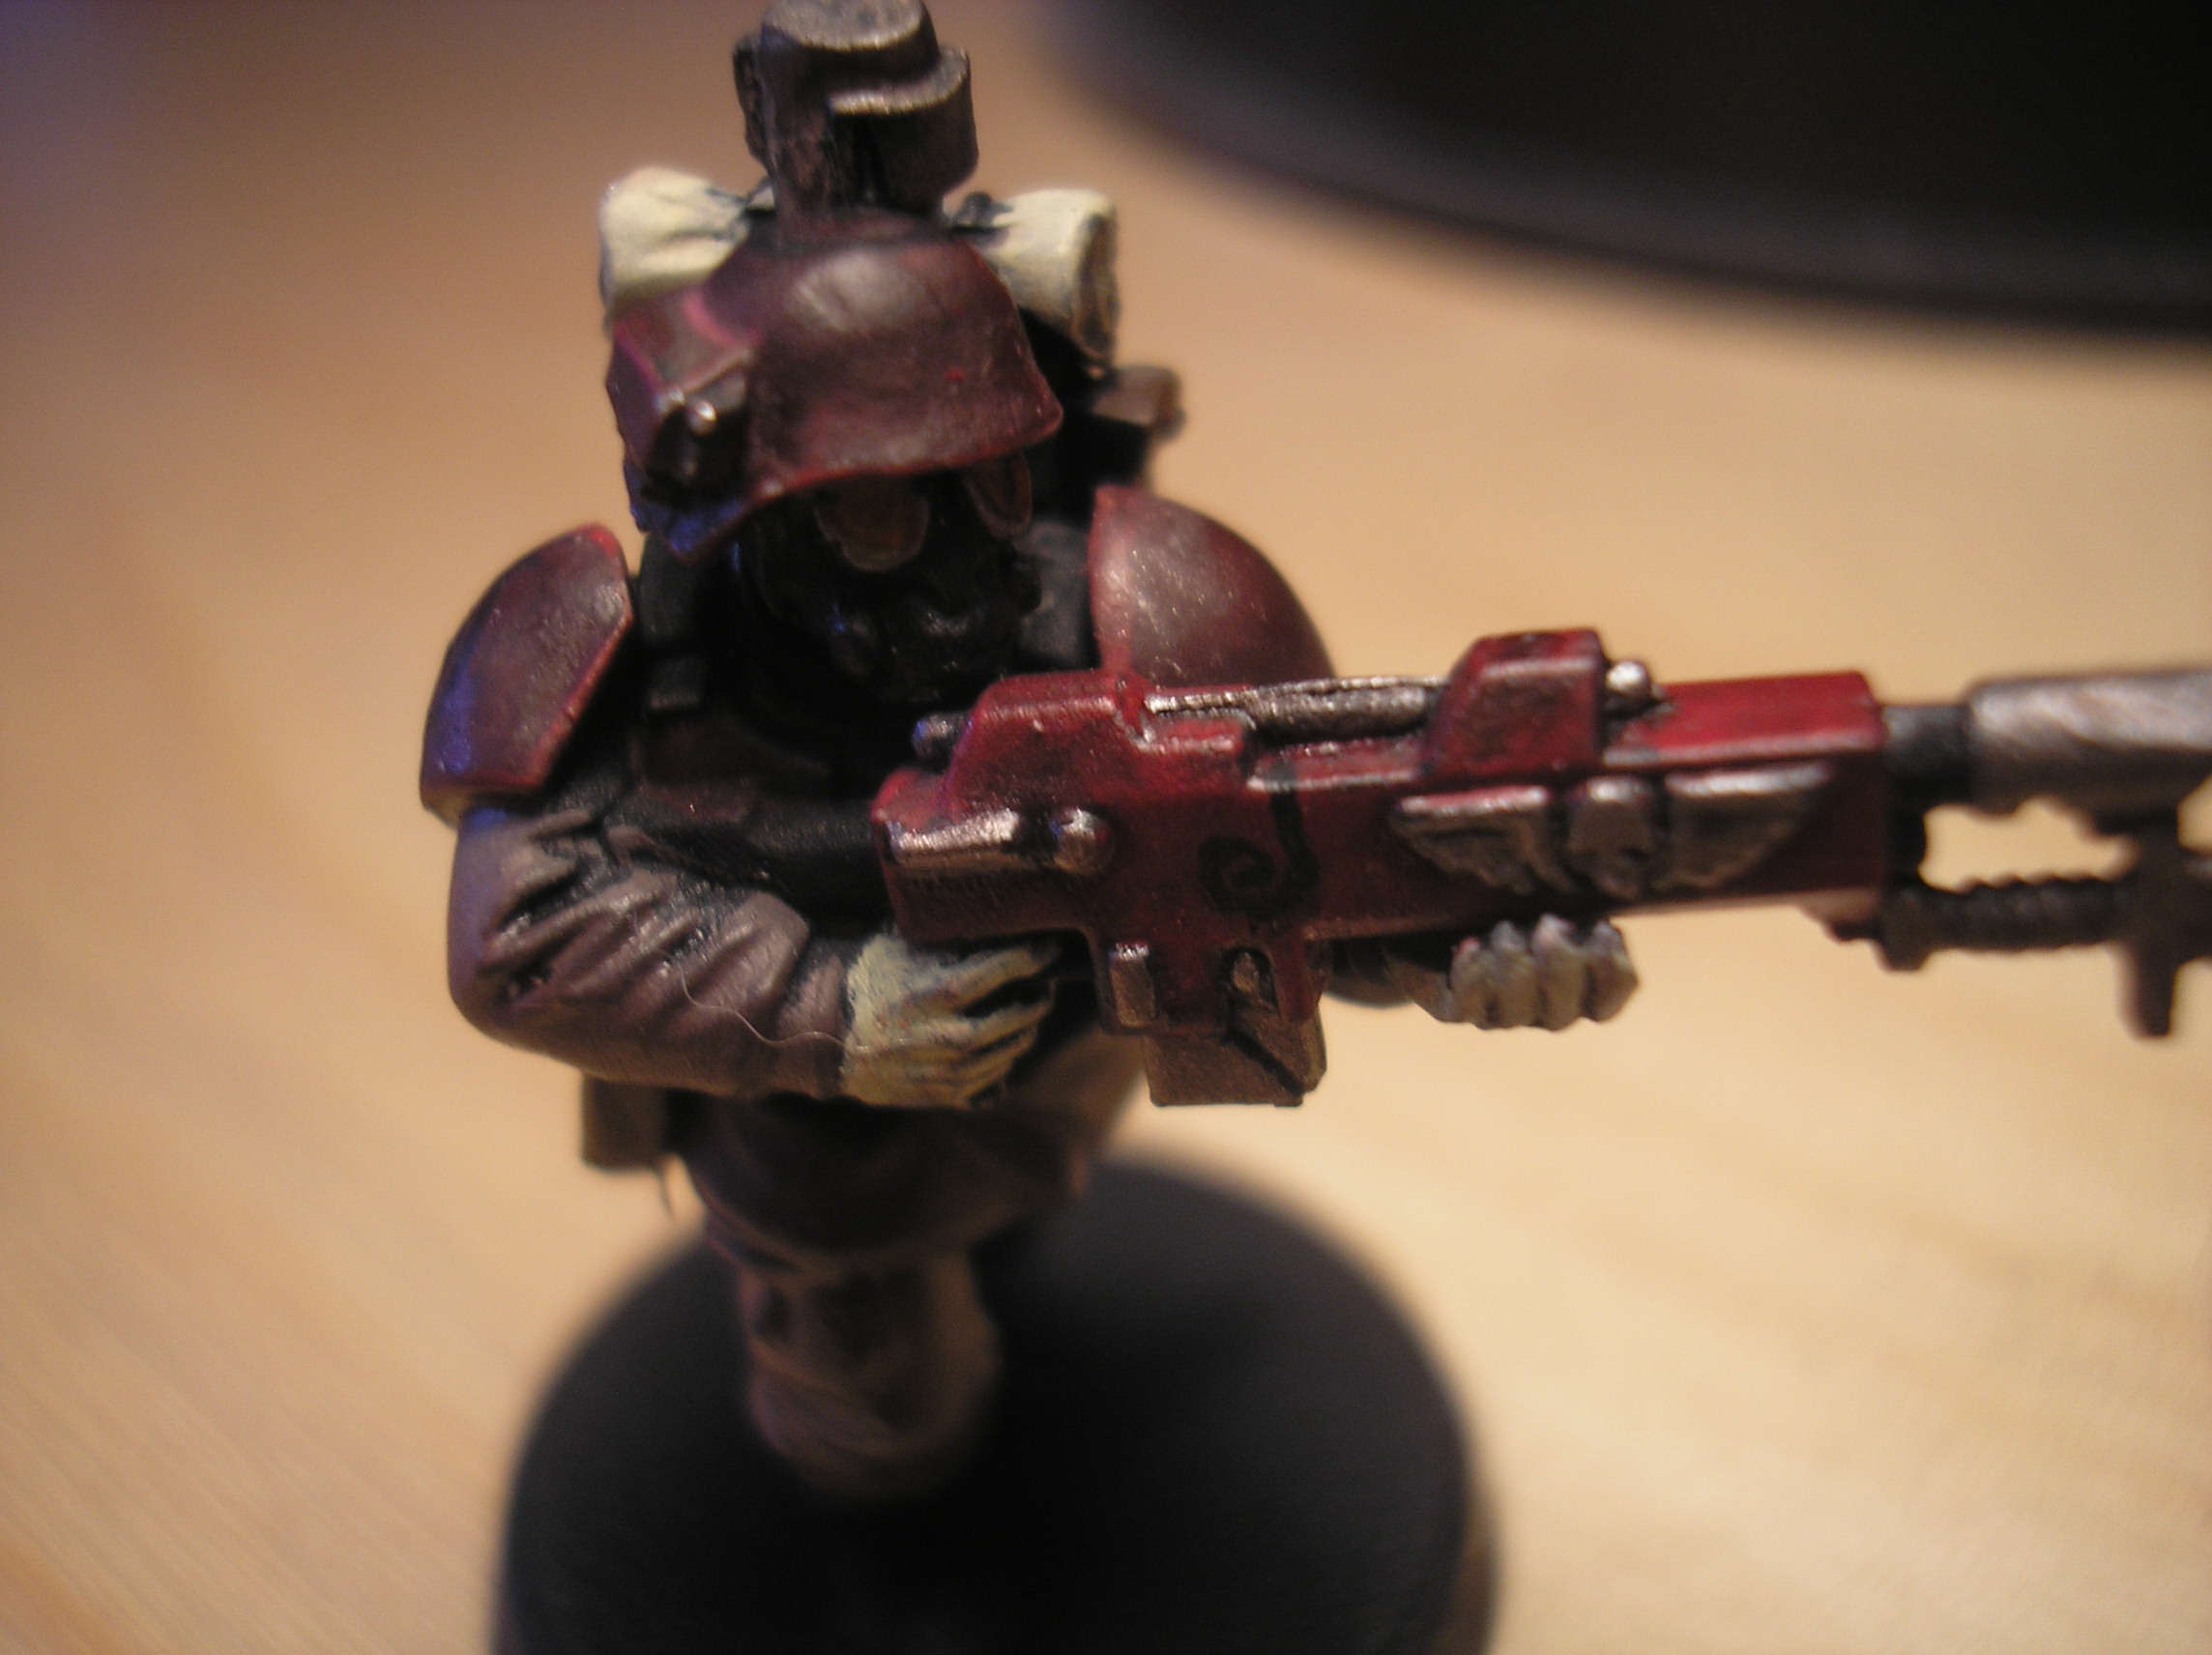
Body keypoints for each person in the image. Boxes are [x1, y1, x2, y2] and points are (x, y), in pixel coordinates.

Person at [421, 0, 1632, 1502]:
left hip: (1063, 1057)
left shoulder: (1148, 602)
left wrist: (1462, 950)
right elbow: (519, 937)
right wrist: (836, 1008)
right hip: (814, 1130)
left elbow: (1300, 863)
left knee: (1029, 1268)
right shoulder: (626, 642)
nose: (952, 560)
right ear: (754, 519)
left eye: (989, 485)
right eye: (878, 512)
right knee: (878, 1410)